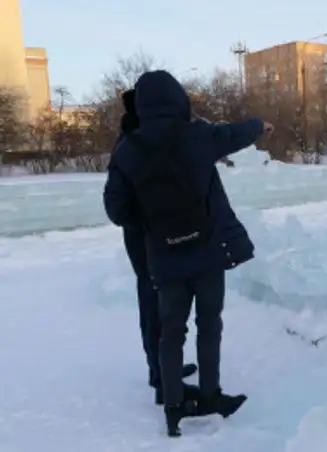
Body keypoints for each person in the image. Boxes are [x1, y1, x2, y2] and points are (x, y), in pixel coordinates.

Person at [103, 70, 267, 437]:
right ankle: (210, 396)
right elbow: (237, 134)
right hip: (207, 251)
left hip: (163, 256)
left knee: (171, 331)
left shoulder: (127, 148)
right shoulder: (198, 135)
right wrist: (260, 123)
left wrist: (150, 222)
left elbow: (115, 209)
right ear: (179, 99)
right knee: (210, 325)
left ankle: (174, 407)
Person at [117, 89, 201, 406]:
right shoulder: (134, 142)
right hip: (145, 239)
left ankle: (165, 368)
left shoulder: (143, 137)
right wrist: (147, 221)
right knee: (155, 302)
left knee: (160, 301)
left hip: (151, 235)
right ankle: (160, 375)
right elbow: (118, 201)